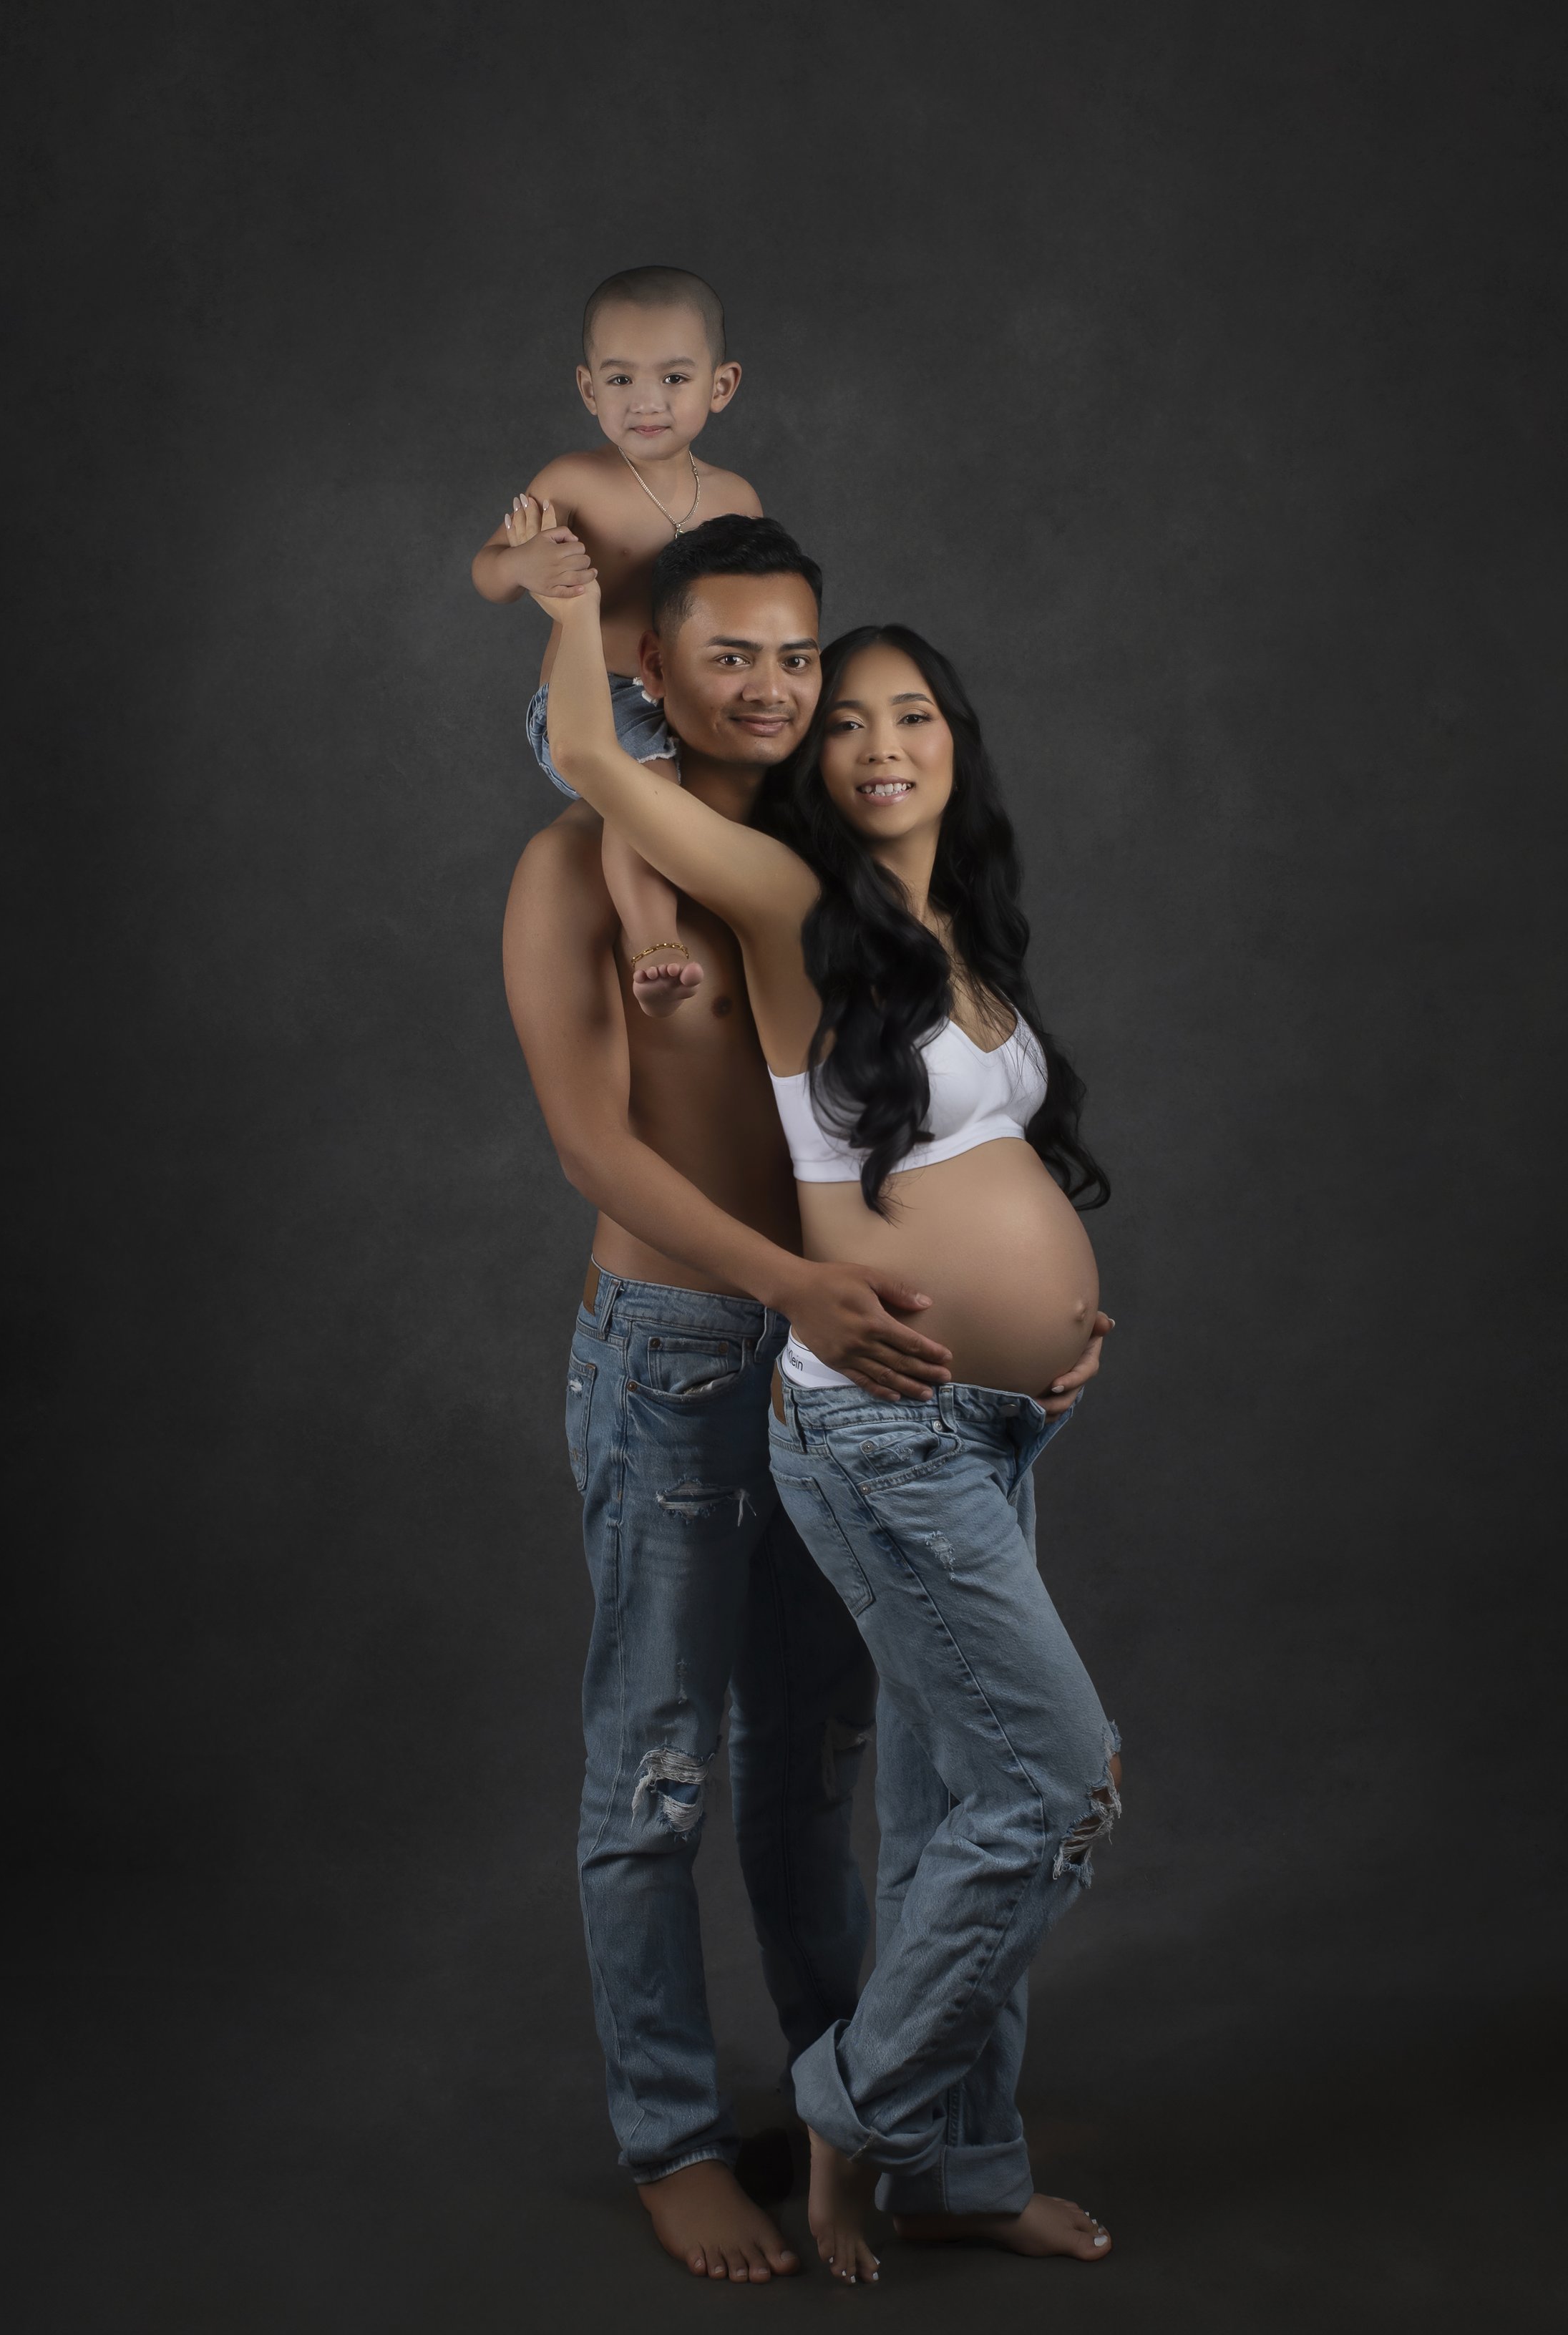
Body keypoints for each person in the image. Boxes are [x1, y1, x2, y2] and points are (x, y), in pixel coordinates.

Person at [502, 517, 1111, 2285]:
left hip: (850, 1362)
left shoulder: (830, 857)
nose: (775, 691)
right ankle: (672, 2136)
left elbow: (927, 1133)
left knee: (826, 1763)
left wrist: (1021, 1311)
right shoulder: (577, 867)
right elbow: (587, 1140)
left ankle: (877, 2111)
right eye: (734, 658)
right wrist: (794, 1292)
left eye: (801, 659)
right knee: (660, 1770)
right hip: (688, 1346)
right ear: (658, 668)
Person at [477, 265, 761, 1016]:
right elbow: (485, 572)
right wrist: (521, 562)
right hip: (594, 707)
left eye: (673, 377)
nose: (646, 400)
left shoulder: (735, 498)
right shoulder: (573, 481)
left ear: (720, 386)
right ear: (587, 390)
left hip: (692, 698)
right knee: (652, 781)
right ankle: (653, 940)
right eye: (621, 377)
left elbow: (755, 608)